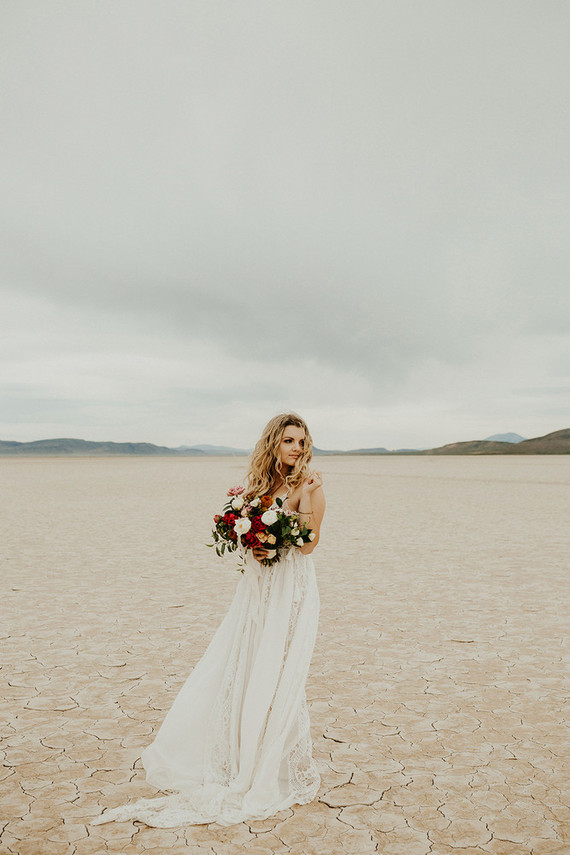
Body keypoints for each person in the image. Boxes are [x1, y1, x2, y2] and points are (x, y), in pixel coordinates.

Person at [92, 413, 325, 828]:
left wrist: (299, 505)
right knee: (242, 664)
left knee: (277, 671)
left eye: (302, 441)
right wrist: (254, 543)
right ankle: (235, 754)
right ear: (273, 443)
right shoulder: (257, 488)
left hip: (290, 589)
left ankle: (267, 762)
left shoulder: (308, 485)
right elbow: (250, 533)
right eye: (289, 440)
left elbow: (307, 545)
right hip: (256, 589)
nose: (297, 448)